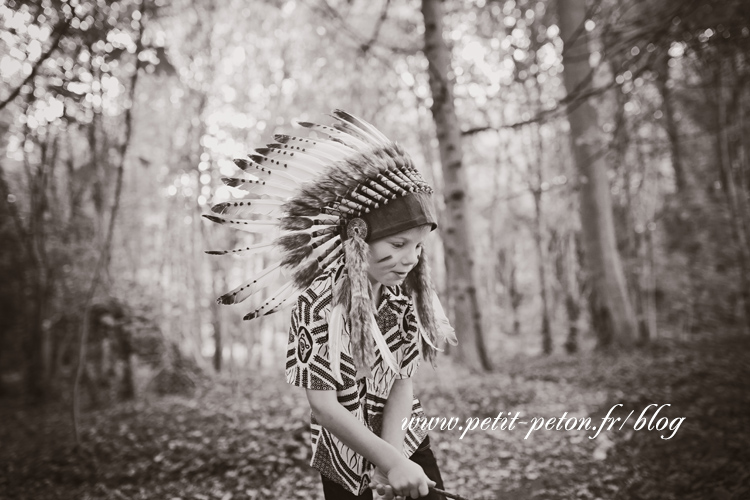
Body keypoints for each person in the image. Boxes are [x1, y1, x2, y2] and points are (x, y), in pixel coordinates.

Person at [204, 110, 456, 499]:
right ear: (359, 239)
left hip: (404, 436)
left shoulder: (405, 297)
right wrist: (386, 463)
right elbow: (324, 408)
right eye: (398, 244)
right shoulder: (317, 306)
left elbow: (404, 383)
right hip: (345, 452)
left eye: (418, 246)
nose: (411, 259)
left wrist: (394, 461)